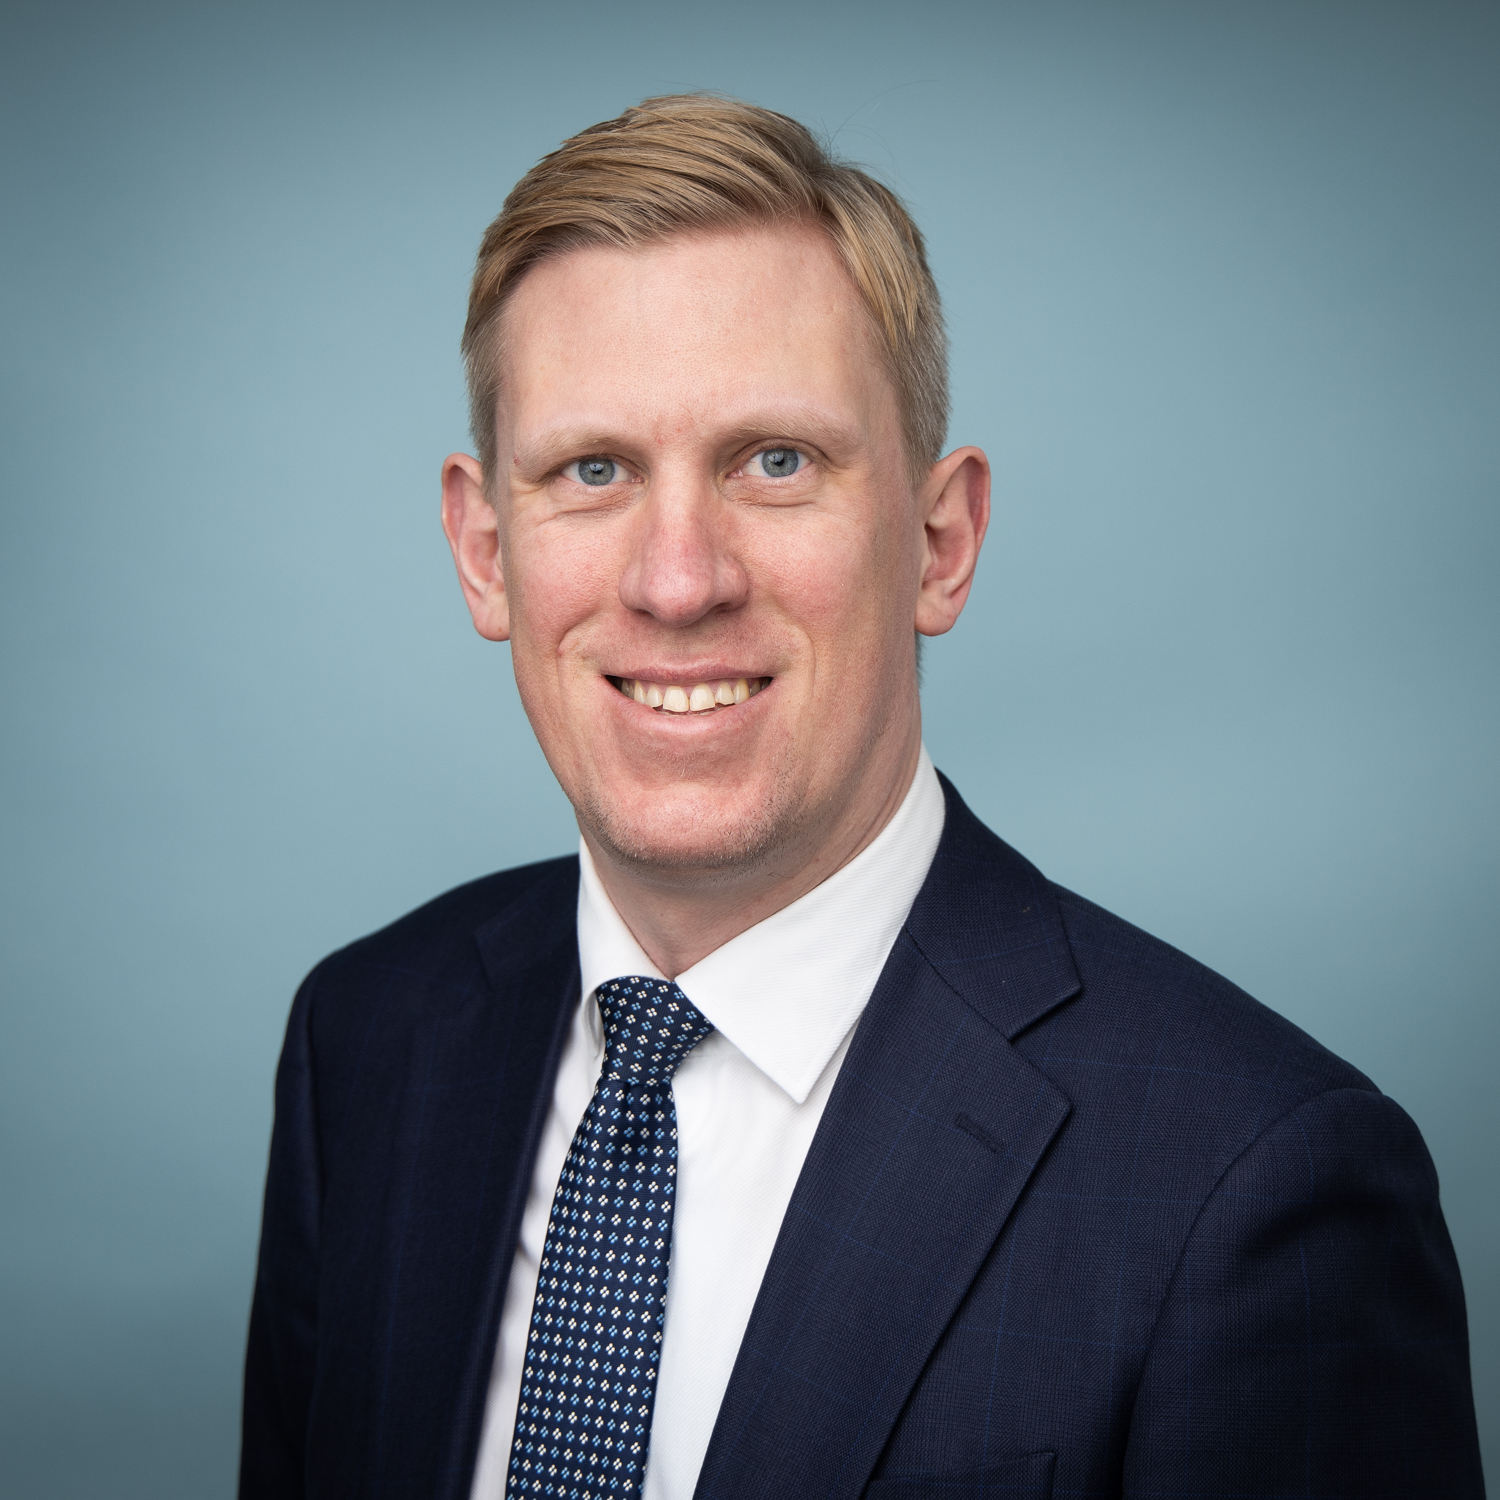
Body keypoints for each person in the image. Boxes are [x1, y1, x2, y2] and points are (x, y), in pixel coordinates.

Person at [240, 96, 1483, 1500]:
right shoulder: (369, 1041)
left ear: (940, 542)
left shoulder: (1258, 1188)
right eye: (593, 470)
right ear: (484, 552)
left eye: (776, 462)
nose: (678, 580)